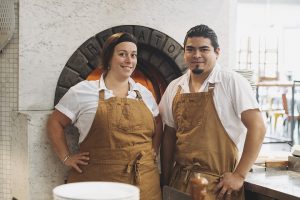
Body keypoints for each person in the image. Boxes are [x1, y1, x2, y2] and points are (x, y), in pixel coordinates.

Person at [47, 32, 162, 200]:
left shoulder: (144, 93)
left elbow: (158, 122)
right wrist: (66, 157)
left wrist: (154, 150)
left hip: (145, 185)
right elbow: (55, 122)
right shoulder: (83, 91)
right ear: (109, 58)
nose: (129, 60)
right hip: (100, 185)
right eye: (122, 54)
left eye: (133, 55)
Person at [159, 25, 266, 200]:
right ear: (184, 53)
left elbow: (258, 127)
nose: (197, 55)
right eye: (190, 49)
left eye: (204, 49)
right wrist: (166, 178)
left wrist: (239, 175)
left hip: (219, 186)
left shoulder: (232, 82)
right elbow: (169, 134)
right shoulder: (175, 87)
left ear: (217, 52)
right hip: (179, 182)